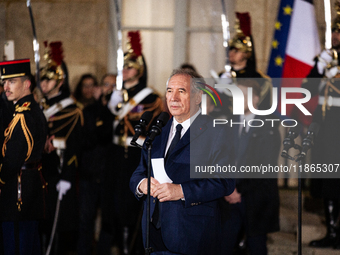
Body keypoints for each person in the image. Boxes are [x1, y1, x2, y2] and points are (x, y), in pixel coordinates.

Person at [129, 68, 235, 254]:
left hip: (192, 234)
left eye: (181, 91)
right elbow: (139, 172)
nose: (173, 97)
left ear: (198, 97)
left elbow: (224, 181)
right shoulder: (157, 132)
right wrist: (142, 184)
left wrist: (181, 191)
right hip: (152, 235)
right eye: (169, 91)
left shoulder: (216, 132)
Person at [106, 31, 163, 255]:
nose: (125, 70)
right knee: (113, 206)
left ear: (139, 69)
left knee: (131, 207)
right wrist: (111, 105)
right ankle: (118, 245)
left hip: (135, 155)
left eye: (129, 67)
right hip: (115, 155)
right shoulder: (117, 95)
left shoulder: (150, 97)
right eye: (123, 66)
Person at [220, 79, 280, 255]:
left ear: (255, 99)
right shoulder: (228, 124)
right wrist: (228, 188)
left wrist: (240, 190)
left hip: (255, 198)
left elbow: (265, 166)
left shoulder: (268, 126)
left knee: (256, 247)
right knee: (223, 246)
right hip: (229, 198)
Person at [39, 41, 83, 254]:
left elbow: (74, 147)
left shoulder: (72, 110)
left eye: (48, 79)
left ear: (59, 80)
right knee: (44, 223)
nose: (43, 83)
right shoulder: (39, 107)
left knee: (62, 225)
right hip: (42, 171)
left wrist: (67, 176)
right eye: (41, 79)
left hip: (60, 171)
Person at [0, 58, 47, 255]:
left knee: (17, 245)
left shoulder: (23, 114)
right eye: (4, 82)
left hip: (18, 191)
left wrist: (1, 179)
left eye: (12, 82)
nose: (6, 87)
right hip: (29, 187)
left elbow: (13, 159)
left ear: (26, 84)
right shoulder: (28, 109)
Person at [302, 3, 340, 249]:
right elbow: (307, 89)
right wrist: (319, 66)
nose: (336, 35)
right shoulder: (325, 60)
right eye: (334, 31)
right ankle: (333, 233)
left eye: (339, 31)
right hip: (327, 131)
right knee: (328, 183)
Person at [74, 73, 114, 255]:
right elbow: (89, 139)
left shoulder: (111, 111)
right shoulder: (84, 111)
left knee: (107, 219)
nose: (90, 89)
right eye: (86, 85)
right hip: (88, 173)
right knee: (85, 219)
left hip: (107, 174)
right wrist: (99, 105)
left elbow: (105, 135)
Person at [219, 12, 272, 114]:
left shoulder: (261, 80)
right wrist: (220, 90)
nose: (231, 53)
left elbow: (264, 109)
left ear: (246, 54)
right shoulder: (222, 76)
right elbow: (214, 107)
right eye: (230, 50)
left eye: (236, 50)